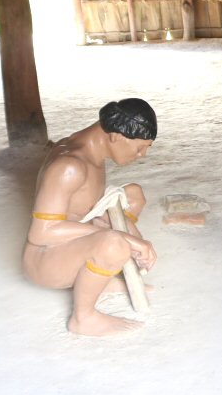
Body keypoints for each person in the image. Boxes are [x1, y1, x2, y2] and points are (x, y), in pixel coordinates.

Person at [22, 99, 159, 337]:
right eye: (139, 148)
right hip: (44, 259)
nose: (142, 155)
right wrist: (121, 238)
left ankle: (98, 278)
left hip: (72, 234)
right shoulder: (69, 167)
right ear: (116, 136)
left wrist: (122, 234)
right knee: (114, 245)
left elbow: (81, 205)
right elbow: (41, 233)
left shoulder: (90, 149)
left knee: (134, 195)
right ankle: (83, 318)